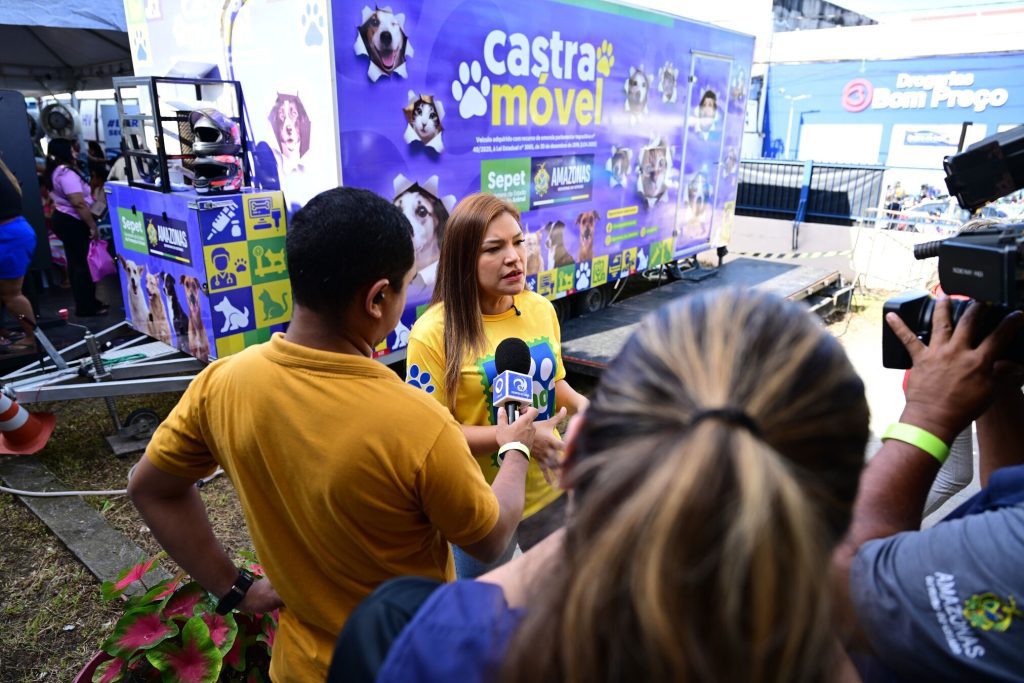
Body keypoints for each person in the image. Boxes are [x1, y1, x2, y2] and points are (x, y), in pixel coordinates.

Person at [335, 287, 871, 682]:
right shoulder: (859, 653)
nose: (513, 257)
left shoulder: (397, 637)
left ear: (577, 450)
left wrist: (517, 445)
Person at [127, 187, 539, 682]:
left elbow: (149, 487)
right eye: (406, 284)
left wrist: (234, 588)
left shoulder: (223, 383)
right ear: (377, 299)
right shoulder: (416, 422)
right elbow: (490, 541)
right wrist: (516, 445)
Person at [835, 296, 1024, 683]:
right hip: (956, 384)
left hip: (943, 391)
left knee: (952, 475)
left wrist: (928, 415)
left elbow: (844, 579)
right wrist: (997, 382)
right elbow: (1010, 493)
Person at [405, 192, 588, 578]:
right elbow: (432, 437)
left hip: (550, 490)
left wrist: (591, 409)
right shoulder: (432, 333)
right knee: (484, 609)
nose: (514, 257)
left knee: (561, 597)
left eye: (518, 242)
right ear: (462, 259)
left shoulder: (541, 309)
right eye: (494, 248)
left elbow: (554, 383)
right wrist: (519, 439)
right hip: (481, 507)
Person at [43, 139, 106, 317]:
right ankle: (87, 307)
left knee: (76, 263)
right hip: (73, 221)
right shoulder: (66, 173)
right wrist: (92, 225)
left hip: (65, 219)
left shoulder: (55, 171)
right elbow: (78, 203)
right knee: (83, 265)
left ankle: (87, 303)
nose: (76, 152)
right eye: (72, 149)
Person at [0, 158, 39, 352]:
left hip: (8, 237)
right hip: (15, 232)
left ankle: (32, 336)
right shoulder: (4, 171)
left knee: (12, 295)